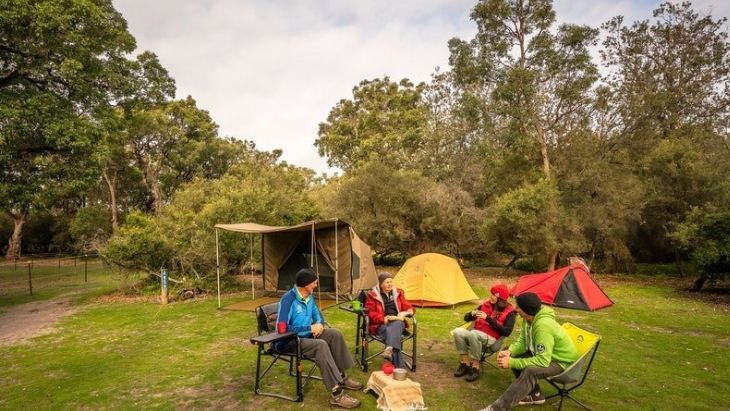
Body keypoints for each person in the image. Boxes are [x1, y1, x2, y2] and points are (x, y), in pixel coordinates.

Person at [476, 292, 580, 411]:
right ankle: (535, 395)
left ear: (526, 311)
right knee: (512, 352)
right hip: (548, 356)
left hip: (561, 362)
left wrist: (512, 362)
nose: (515, 308)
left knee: (531, 371)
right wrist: (510, 351)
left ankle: (496, 408)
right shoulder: (529, 318)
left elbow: (542, 360)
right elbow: (523, 342)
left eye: (518, 307)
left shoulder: (542, 327)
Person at [277, 268, 363, 409]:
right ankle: (337, 394)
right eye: (314, 283)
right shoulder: (288, 299)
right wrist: (309, 328)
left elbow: (318, 316)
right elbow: (281, 329)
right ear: (306, 284)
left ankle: (341, 377)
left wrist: (319, 325)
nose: (316, 285)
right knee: (320, 345)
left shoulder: (309, 297)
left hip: (306, 337)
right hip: (288, 341)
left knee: (335, 333)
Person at [452, 284, 517, 382]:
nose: (490, 296)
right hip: (476, 336)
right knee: (458, 332)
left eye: (493, 295)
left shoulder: (510, 312)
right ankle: (465, 364)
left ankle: (475, 368)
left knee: (474, 333)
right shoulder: (485, 305)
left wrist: (488, 319)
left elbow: (507, 332)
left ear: (500, 299)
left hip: (492, 340)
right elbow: (466, 318)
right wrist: (471, 314)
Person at [364, 272, 415, 369]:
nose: (390, 284)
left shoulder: (397, 293)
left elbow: (408, 306)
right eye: (387, 282)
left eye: (391, 282)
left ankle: (389, 349)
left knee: (398, 323)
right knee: (393, 334)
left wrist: (409, 311)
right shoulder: (373, 295)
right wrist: (382, 319)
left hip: (397, 322)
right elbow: (370, 312)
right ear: (381, 284)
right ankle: (397, 364)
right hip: (381, 324)